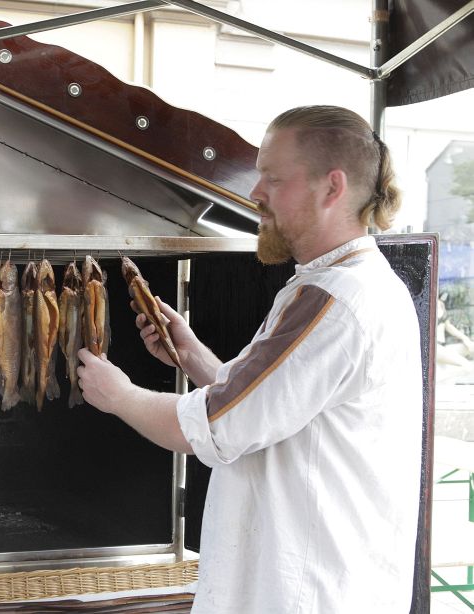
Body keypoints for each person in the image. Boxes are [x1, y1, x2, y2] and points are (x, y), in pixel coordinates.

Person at [78, 105, 422, 613]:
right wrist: (193, 356)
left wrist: (119, 395)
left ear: (332, 187)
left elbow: (216, 427)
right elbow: (274, 410)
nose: (255, 193)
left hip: (305, 596)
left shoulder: (334, 299)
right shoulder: (346, 286)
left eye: (274, 179)